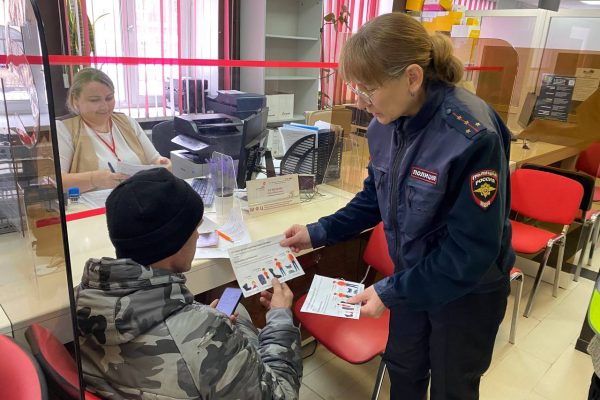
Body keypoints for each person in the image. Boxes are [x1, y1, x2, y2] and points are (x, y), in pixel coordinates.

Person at [281, 13, 514, 400]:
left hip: (466, 292)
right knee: (403, 370)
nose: (359, 100)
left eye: (367, 88)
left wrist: (392, 292)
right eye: (355, 87)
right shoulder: (384, 123)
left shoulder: (470, 135)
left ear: (411, 77)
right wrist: (317, 232)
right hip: (412, 280)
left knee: (451, 387)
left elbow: (471, 251)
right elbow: (375, 197)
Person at [76, 168, 302, 399]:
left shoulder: (84, 296)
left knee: (239, 313)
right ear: (174, 242)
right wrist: (280, 318)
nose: (197, 236)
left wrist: (201, 324)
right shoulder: (206, 335)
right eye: (195, 228)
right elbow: (280, 395)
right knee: (244, 317)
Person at [57, 67, 171, 193]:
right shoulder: (64, 128)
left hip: (139, 200)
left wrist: (164, 164)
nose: (104, 106)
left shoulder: (126, 122)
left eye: (109, 98)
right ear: (75, 100)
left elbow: (155, 159)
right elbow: (58, 182)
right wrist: (94, 179)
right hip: (94, 208)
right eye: (94, 100)